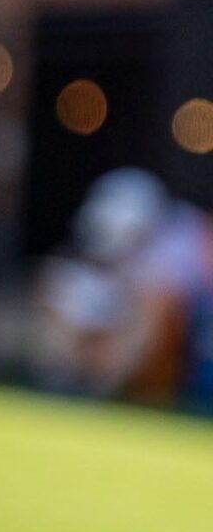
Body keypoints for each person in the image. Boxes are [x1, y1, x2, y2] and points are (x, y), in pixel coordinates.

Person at [38, 168, 213, 404]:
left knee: (154, 304)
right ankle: (66, 380)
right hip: (127, 328)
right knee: (61, 282)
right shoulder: (104, 237)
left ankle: (98, 394)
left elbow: (160, 309)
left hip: (193, 356)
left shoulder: (183, 240)